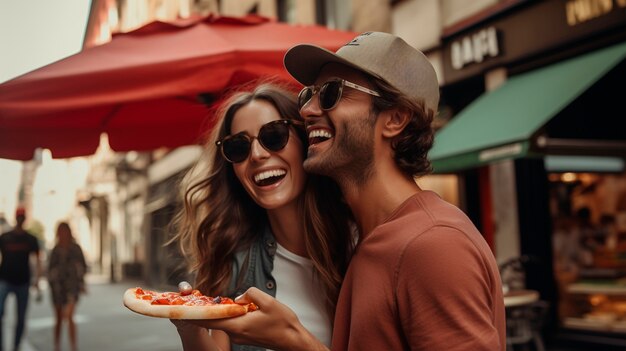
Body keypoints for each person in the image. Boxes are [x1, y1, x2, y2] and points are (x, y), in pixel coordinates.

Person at [197, 31, 507, 351]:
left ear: (395, 119)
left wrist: (296, 341)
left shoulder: (433, 244)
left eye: (331, 93)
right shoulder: (367, 244)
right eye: (308, 95)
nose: (307, 111)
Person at [171, 82, 355, 350]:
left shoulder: (360, 244)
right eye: (238, 147)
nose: (256, 155)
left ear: (305, 140)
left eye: (274, 134)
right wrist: (188, 326)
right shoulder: (235, 259)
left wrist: (293, 340)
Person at [0, 207, 41, 351]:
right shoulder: (5, 238)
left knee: (21, 317)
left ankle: (16, 345)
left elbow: (37, 259)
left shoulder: (30, 239)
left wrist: (37, 280)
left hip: (23, 281)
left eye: (22, 217)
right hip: (4, 280)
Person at [47, 222, 87, 351]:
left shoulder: (75, 248)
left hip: (72, 287)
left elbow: (83, 266)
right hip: (58, 288)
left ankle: (73, 346)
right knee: (58, 318)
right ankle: (57, 346)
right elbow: (50, 270)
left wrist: (81, 282)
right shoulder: (55, 250)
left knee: (69, 316)